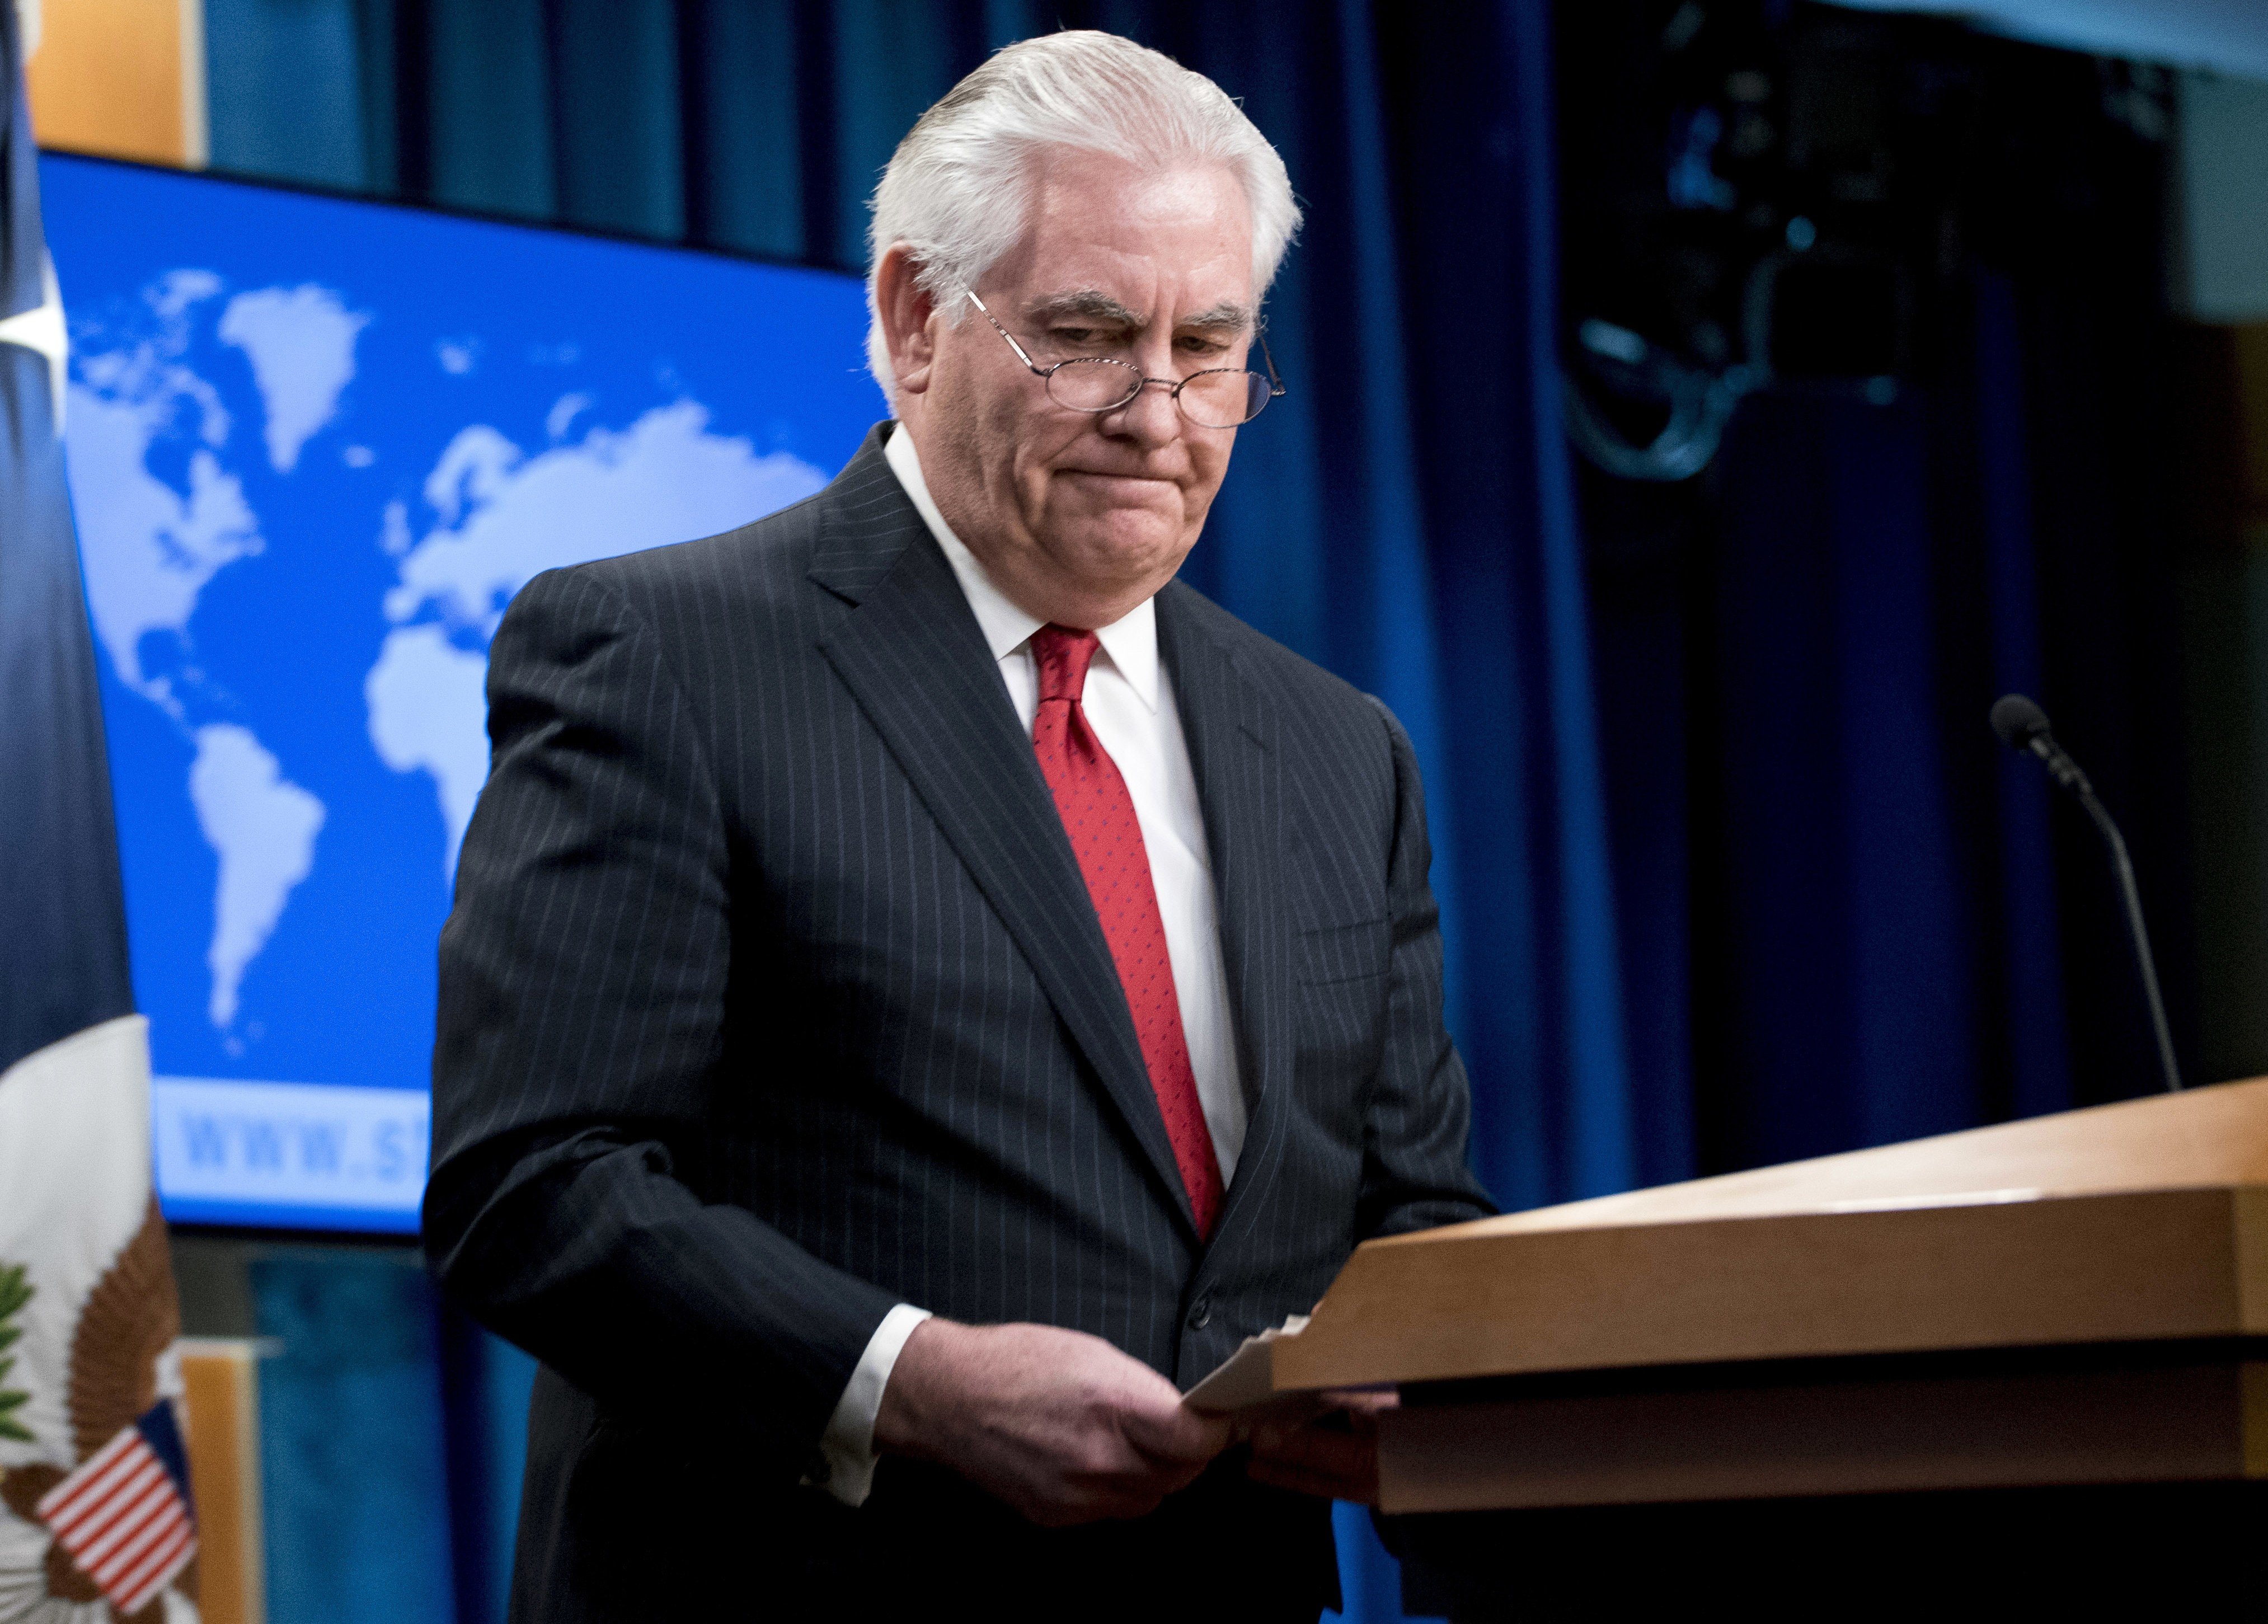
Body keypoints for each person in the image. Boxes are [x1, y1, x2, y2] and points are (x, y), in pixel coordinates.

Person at [424, 29, 1494, 1620]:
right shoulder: (662, 656)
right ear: (915, 319)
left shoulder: (1342, 751)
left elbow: (1410, 1214)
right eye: (1085, 334)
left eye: (1211, 344)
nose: (1161, 409)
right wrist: (907, 1381)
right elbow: (535, 1184)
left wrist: (1416, 1395)